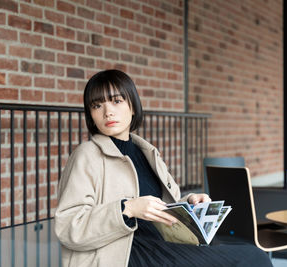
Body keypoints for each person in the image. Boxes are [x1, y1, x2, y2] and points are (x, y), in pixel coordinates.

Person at [54, 69, 273, 267]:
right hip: (123, 254)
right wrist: (127, 209)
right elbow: (68, 227)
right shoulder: (87, 155)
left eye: (116, 101)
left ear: (132, 107)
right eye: (97, 105)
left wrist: (189, 202)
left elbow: (165, 205)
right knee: (252, 260)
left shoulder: (146, 152)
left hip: (161, 244)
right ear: (91, 114)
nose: (107, 112)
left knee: (251, 255)